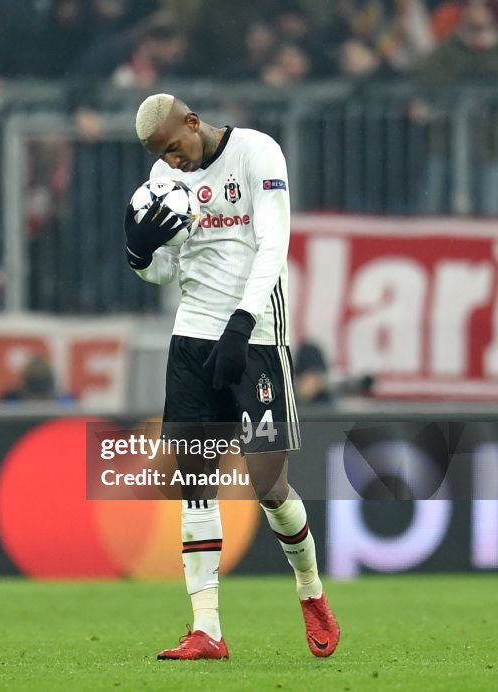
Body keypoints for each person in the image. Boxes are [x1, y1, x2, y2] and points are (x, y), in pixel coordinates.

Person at [126, 94, 340, 660]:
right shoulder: (164, 176)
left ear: (192, 123)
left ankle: (311, 591)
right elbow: (163, 270)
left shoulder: (257, 153)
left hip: (256, 337)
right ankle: (207, 629)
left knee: (268, 487)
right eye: (161, 156)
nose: (172, 163)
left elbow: (274, 243)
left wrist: (241, 325)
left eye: (174, 148)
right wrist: (139, 252)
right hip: (192, 336)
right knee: (195, 480)